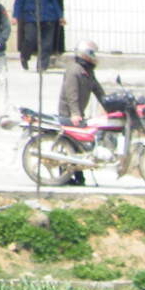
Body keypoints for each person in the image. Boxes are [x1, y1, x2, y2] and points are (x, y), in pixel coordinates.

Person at [58, 39, 105, 186]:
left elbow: (98, 91)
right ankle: (66, 176)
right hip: (69, 114)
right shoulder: (74, 70)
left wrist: (110, 104)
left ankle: (78, 177)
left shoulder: (88, 72)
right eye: (92, 53)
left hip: (78, 113)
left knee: (78, 146)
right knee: (72, 145)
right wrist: (75, 114)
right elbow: (71, 94)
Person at [12, 0, 63, 71]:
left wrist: (60, 15)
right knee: (30, 38)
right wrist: (15, 15)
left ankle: (42, 66)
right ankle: (25, 56)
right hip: (31, 15)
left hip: (48, 15)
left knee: (47, 42)